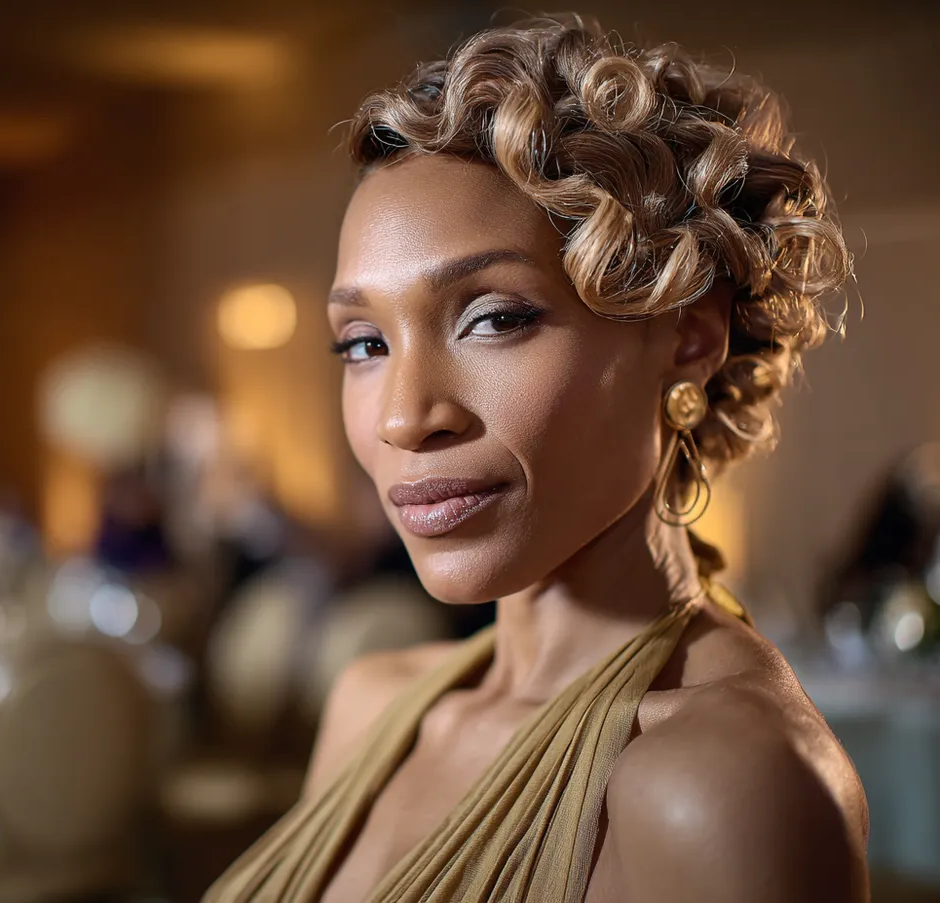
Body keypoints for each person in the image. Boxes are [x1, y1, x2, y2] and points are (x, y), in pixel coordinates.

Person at [206, 14, 868, 903]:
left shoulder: (719, 784)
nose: (406, 418)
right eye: (363, 343)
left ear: (688, 339)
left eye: (495, 319)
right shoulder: (372, 705)